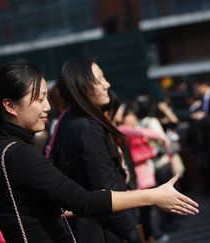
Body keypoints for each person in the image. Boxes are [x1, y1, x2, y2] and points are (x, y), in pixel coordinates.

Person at [0, 59, 199, 243]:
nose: (47, 107)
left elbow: (42, 204)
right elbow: (81, 200)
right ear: (10, 106)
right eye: (39, 99)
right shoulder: (17, 153)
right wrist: (152, 196)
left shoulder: (8, 149)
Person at [49, 58, 144, 243]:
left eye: (104, 78)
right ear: (80, 85)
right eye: (98, 80)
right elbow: (107, 194)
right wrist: (132, 234)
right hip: (102, 231)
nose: (106, 85)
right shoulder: (87, 128)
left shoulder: (68, 121)